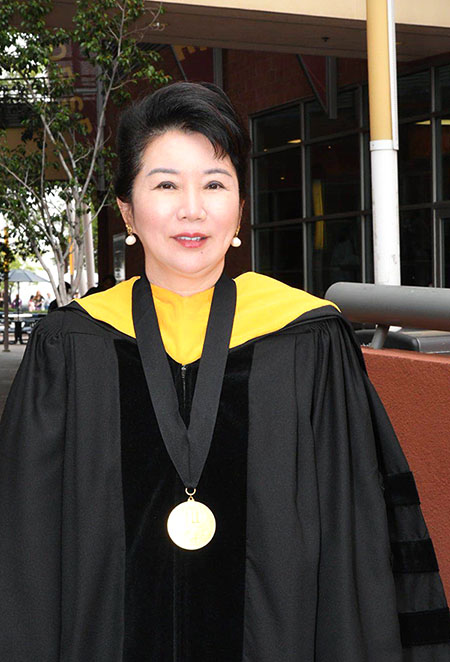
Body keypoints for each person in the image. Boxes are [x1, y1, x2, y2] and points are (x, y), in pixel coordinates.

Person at [0, 82, 448, 662]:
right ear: (128, 210)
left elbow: (353, 543)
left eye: (214, 183)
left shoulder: (308, 340)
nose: (192, 208)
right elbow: (27, 550)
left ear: (239, 207)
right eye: (166, 184)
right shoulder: (70, 347)